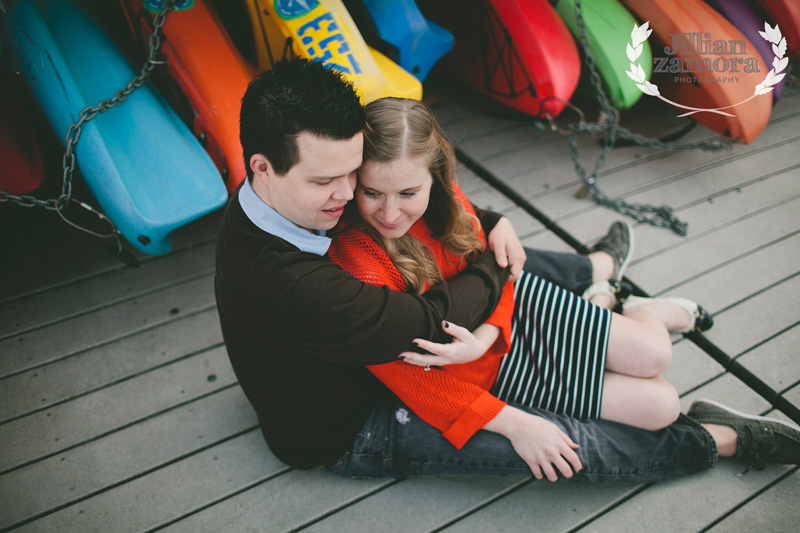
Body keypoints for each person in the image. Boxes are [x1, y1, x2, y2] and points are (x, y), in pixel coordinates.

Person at [215, 58, 800, 483]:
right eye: (327, 182)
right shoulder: (299, 282)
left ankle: (593, 269)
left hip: (432, 336)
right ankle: (716, 440)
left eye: (351, 174)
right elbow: (422, 326)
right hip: (355, 416)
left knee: (479, 244)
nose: (348, 198)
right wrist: (497, 278)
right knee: (559, 452)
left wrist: (490, 226)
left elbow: (446, 218)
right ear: (263, 167)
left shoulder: (290, 196)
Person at [328, 96, 714, 433]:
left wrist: (483, 339)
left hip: (517, 307)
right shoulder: (356, 259)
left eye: (408, 193)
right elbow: (406, 377)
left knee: (655, 353)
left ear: (434, 178)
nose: (390, 212)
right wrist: (508, 420)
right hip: (489, 373)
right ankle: (602, 301)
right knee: (663, 406)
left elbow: (501, 274)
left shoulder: (444, 201)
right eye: (372, 192)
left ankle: (640, 310)